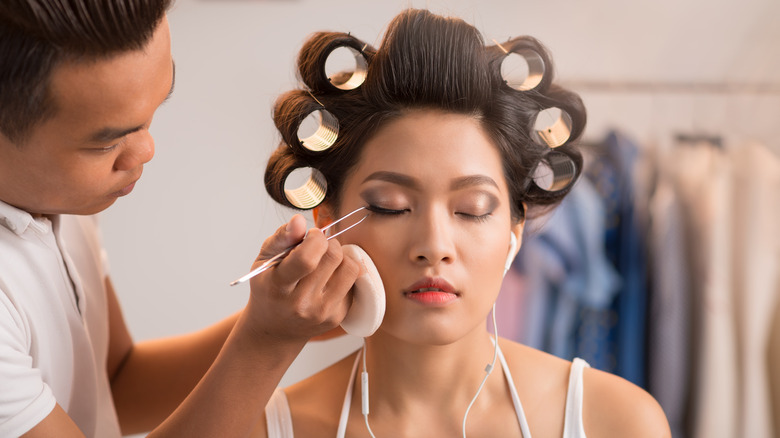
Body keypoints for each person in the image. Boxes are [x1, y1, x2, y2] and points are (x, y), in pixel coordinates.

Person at [256, 8, 671, 437]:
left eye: (472, 209)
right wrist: (265, 329)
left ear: (514, 233)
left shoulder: (615, 421)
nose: (434, 246)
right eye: (391, 206)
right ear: (328, 224)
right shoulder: (269, 427)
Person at [0, 1, 361, 436]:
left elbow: (115, 385)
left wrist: (287, 319)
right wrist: (268, 342)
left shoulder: (55, 195)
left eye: (156, 107)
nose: (146, 150)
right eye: (105, 144)